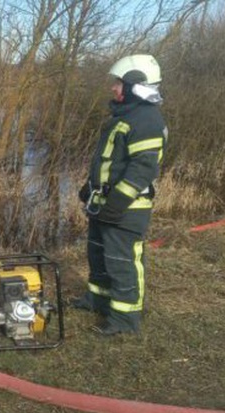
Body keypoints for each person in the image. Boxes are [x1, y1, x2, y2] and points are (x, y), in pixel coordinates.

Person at [74, 54, 167, 336]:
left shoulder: (147, 120)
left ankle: (125, 321)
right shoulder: (125, 116)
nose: (114, 88)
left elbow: (142, 169)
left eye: (119, 83)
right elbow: (111, 163)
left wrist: (116, 203)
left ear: (135, 85)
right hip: (104, 205)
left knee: (122, 261)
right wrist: (91, 189)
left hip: (126, 209)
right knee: (99, 255)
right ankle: (98, 300)